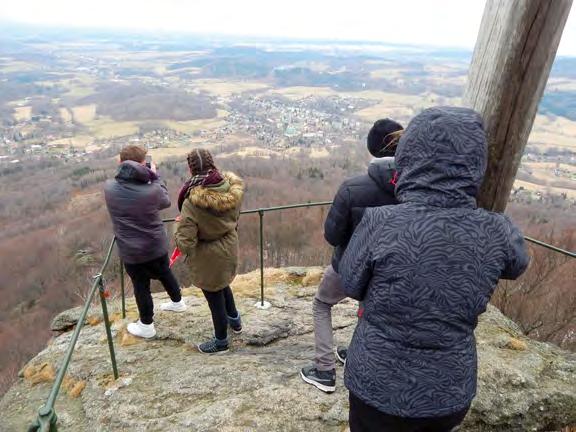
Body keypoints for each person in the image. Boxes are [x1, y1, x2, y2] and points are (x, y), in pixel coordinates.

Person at [340, 107, 530, 431]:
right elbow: (517, 264)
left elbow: (350, 283)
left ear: (409, 157)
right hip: (447, 391)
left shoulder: (380, 222)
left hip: (374, 382)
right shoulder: (497, 231)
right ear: (475, 163)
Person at [300, 118, 404, 393]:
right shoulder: (415, 191)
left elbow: (333, 236)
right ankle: (356, 354)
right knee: (370, 307)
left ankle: (324, 371)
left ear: (372, 149)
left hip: (349, 265)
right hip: (395, 270)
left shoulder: (353, 188)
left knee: (322, 304)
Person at [104, 145, 186, 339]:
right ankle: (177, 302)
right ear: (143, 164)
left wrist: (142, 173)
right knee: (165, 272)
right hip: (155, 244)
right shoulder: (151, 191)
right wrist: (155, 176)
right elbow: (165, 201)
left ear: (119, 163)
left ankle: (147, 325)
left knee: (141, 285)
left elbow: (126, 184)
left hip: (131, 249)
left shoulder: (109, 188)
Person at [174, 148, 244, 354]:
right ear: (212, 164)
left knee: (214, 297)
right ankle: (235, 322)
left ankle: (221, 341)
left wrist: (176, 227)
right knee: (223, 284)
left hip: (207, 256)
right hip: (229, 245)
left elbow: (185, 243)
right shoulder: (231, 189)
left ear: (190, 169)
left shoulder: (191, 202)